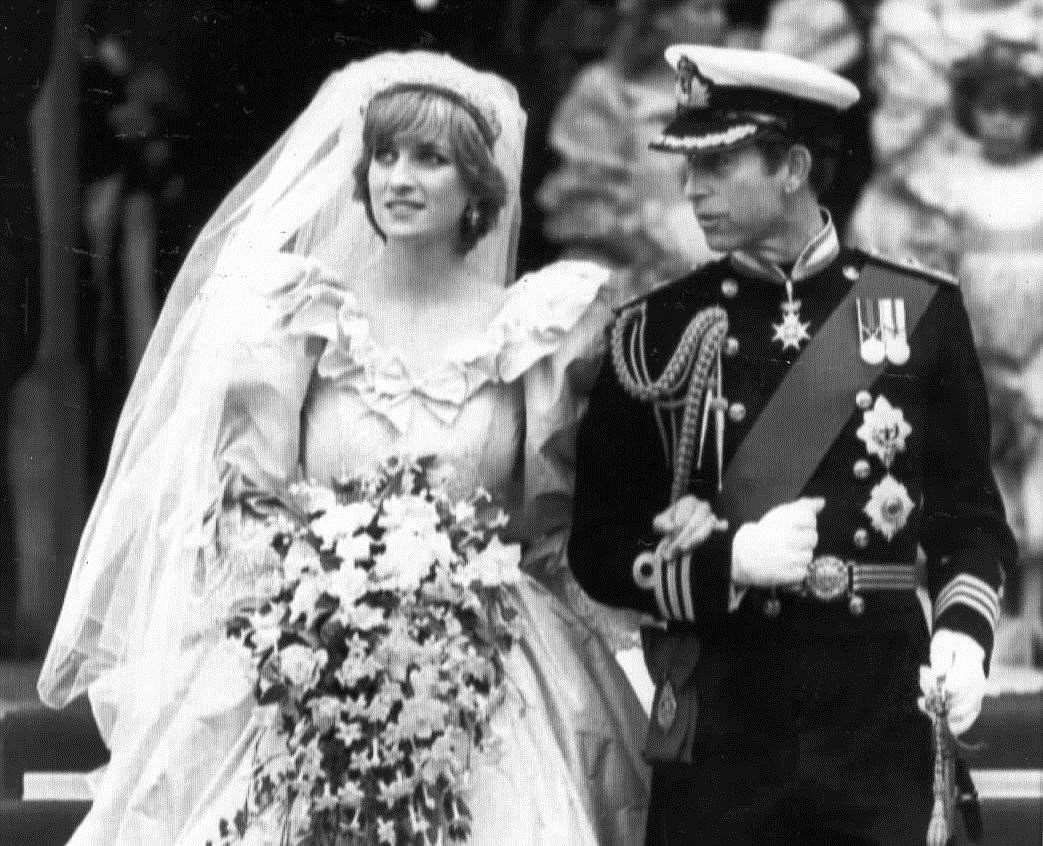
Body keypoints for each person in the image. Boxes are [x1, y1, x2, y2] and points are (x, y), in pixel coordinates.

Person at [37, 51, 648, 844]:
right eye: (386, 156)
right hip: (311, 651)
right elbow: (249, 505)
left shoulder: (535, 332)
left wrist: (447, 616)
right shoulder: (297, 319)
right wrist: (330, 611)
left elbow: (546, 529)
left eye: (430, 159)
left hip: (489, 666)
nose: (399, 178)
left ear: (476, 185)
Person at [569, 44, 1017, 844]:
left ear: (793, 167)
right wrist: (725, 562)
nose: (690, 188)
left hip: (877, 716)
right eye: (686, 164)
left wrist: (963, 636)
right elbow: (597, 545)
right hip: (725, 729)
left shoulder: (917, 313)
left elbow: (969, 522)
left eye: (717, 163)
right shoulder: (653, 331)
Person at [915, 37, 1043, 665]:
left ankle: (1036, 620)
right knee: (979, 486)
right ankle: (984, 627)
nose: (1000, 123)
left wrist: (1028, 373)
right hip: (973, 349)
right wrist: (980, 365)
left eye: (1016, 110)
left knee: (1040, 497)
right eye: (989, 109)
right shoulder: (950, 178)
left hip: (1039, 353)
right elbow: (937, 270)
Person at [538, 0, 731, 301]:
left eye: (720, 9)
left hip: (703, 269)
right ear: (662, 17)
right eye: (703, 9)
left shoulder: (724, 95)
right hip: (615, 271)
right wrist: (666, 260)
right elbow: (584, 202)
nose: (719, 20)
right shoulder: (606, 90)